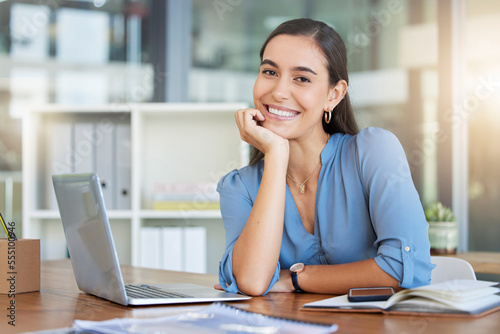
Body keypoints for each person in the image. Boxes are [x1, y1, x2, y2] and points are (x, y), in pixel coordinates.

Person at [216, 18, 434, 296]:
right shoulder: (239, 187)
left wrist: (296, 278)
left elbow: (403, 268)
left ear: (334, 94)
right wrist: (276, 154)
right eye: (269, 72)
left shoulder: (374, 151)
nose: (279, 92)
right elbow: (252, 281)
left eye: (302, 78)